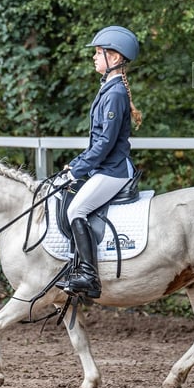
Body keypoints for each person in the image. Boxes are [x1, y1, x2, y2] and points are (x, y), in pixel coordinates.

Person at [56, 25, 143, 299]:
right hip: (103, 167)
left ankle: (89, 277)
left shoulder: (115, 93)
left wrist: (78, 170)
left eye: (98, 53)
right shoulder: (109, 89)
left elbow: (105, 144)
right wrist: (75, 165)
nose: (94, 57)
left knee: (76, 211)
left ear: (114, 58)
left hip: (114, 170)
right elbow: (97, 143)